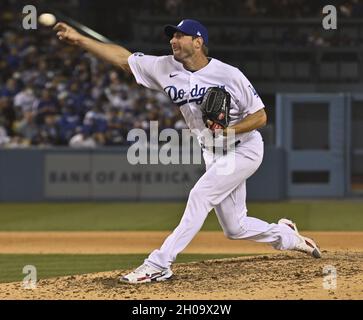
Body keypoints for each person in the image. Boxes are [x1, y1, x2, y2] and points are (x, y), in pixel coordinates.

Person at [54, 19, 322, 284]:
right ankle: (286, 236)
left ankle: (159, 263)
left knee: (200, 195)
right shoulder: (164, 67)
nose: (173, 40)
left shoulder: (229, 74)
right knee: (235, 228)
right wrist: (80, 40)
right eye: (172, 36)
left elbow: (260, 116)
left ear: (198, 42)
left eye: (180, 36)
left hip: (244, 149)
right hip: (213, 152)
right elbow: (124, 59)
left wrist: (230, 131)